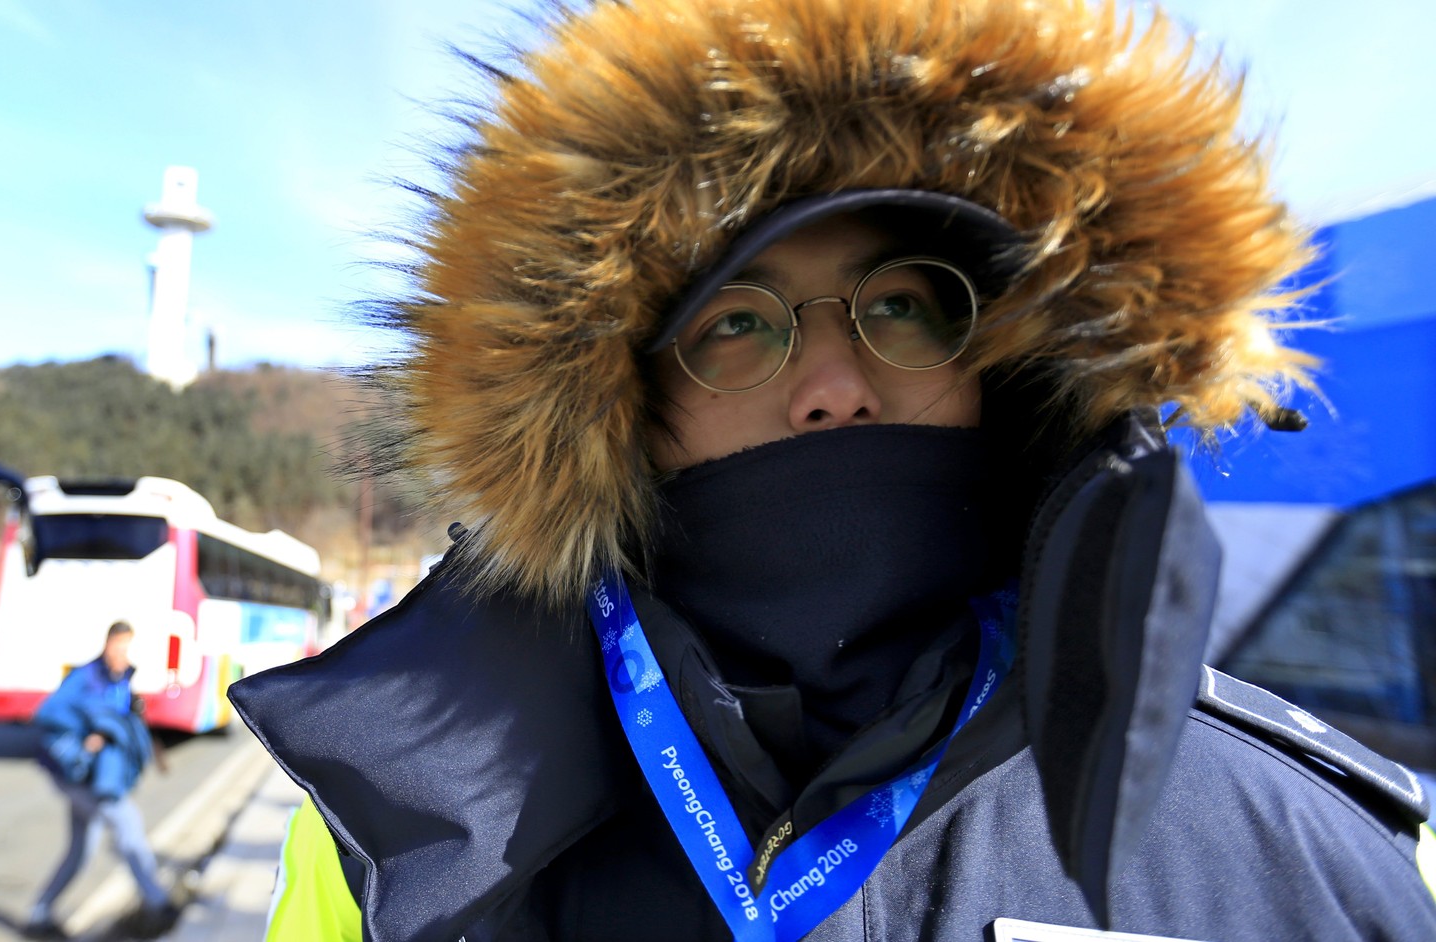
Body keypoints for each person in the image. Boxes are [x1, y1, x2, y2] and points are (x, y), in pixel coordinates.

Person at [232, 0, 1436, 939]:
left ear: (1012, 369)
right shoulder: (401, 834)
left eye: (907, 307)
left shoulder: (1283, 844)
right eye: (736, 325)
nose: (836, 385)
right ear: (624, 411)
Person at [24, 621, 173, 940]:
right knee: (128, 826)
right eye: (117, 647)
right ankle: (159, 905)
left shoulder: (122, 680)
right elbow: (49, 713)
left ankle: (40, 913)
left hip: (99, 775)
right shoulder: (85, 677)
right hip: (81, 776)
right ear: (106, 644)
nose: (121, 654)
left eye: (127, 648)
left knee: (81, 850)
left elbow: (122, 723)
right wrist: (85, 735)